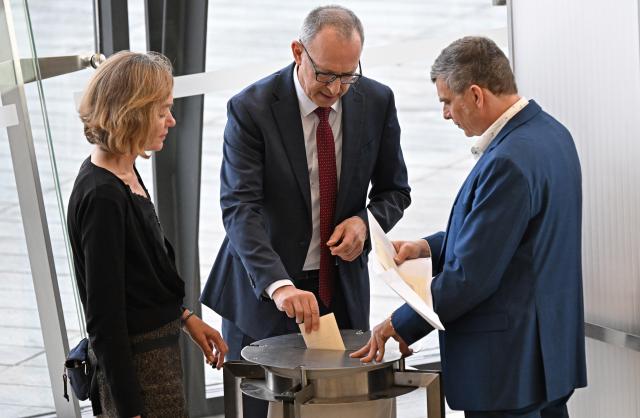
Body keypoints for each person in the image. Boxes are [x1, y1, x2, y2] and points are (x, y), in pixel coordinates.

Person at [352, 36, 587, 418]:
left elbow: (471, 278)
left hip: (509, 368)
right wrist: (428, 247)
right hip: (546, 356)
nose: (446, 114)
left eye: (447, 101)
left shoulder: (507, 162)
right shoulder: (553, 135)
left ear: (476, 95)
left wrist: (398, 323)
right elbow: (515, 240)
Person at [200, 4, 410, 417]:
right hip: (265, 293)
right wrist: (279, 286)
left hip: (341, 292)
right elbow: (240, 207)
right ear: (298, 52)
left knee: (340, 411)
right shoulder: (251, 108)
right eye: (326, 75)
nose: (335, 90)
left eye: (348, 76)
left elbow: (395, 190)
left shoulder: (377, 101)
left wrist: (365, 225)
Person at [67, 51, 228, 418]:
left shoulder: (125, 172)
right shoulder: (103, 196)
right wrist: (130, 409)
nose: (171, 120)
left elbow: (142, 276)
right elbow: (105, 320)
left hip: (156, 361)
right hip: (139, 376)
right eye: (161, 111)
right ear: (133, 113)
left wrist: (186, 318)